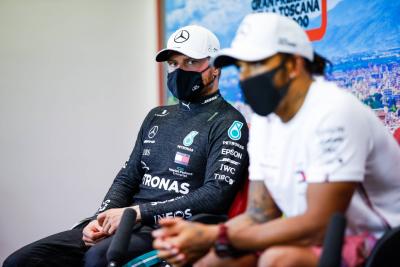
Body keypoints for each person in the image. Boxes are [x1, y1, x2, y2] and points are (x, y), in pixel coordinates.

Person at [152, 13, 400, 267]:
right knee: (211, 262)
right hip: (308, 238)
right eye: (241, 68)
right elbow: (260, 214)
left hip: (380, 242)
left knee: (277, 260)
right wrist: (199, 241)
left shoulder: (335, 111)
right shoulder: (264, 120)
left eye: (256, 65)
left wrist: (214, 235)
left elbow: (320, 225)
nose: (246, 76)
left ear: (293, 65)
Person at [4, 25, 249, 267]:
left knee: (98, 259)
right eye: (174, 63)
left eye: (190, 62)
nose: (179, 70)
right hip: (127, 222)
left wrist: (139, 212)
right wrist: (100, 219)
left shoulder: (229, 122)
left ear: (215, 67)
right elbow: (128, 176)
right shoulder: (157, 116)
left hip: (170, 230)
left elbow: (215, 195)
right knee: (21, 261)